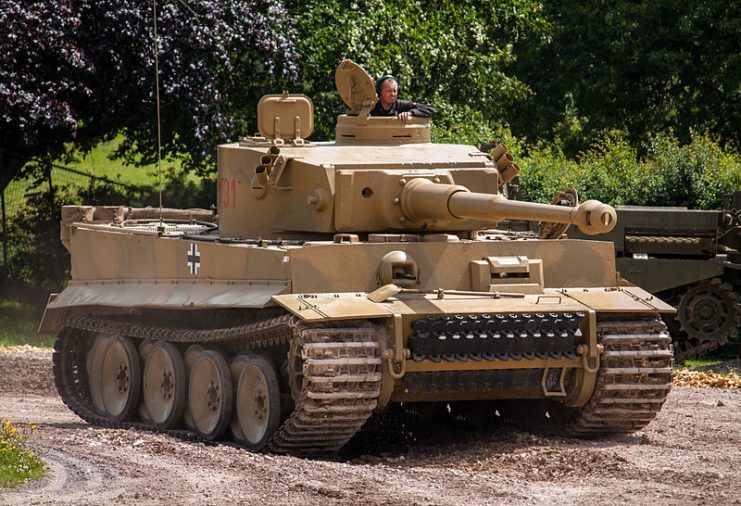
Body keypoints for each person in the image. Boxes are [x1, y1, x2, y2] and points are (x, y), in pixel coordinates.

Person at [370, 75, 436, 123]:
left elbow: (431, 110)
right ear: (379, 92)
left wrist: (410, 113)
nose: (392, 94)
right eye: (389, 91)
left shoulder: (401, 105)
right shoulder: (372, 106)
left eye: (394, 91)